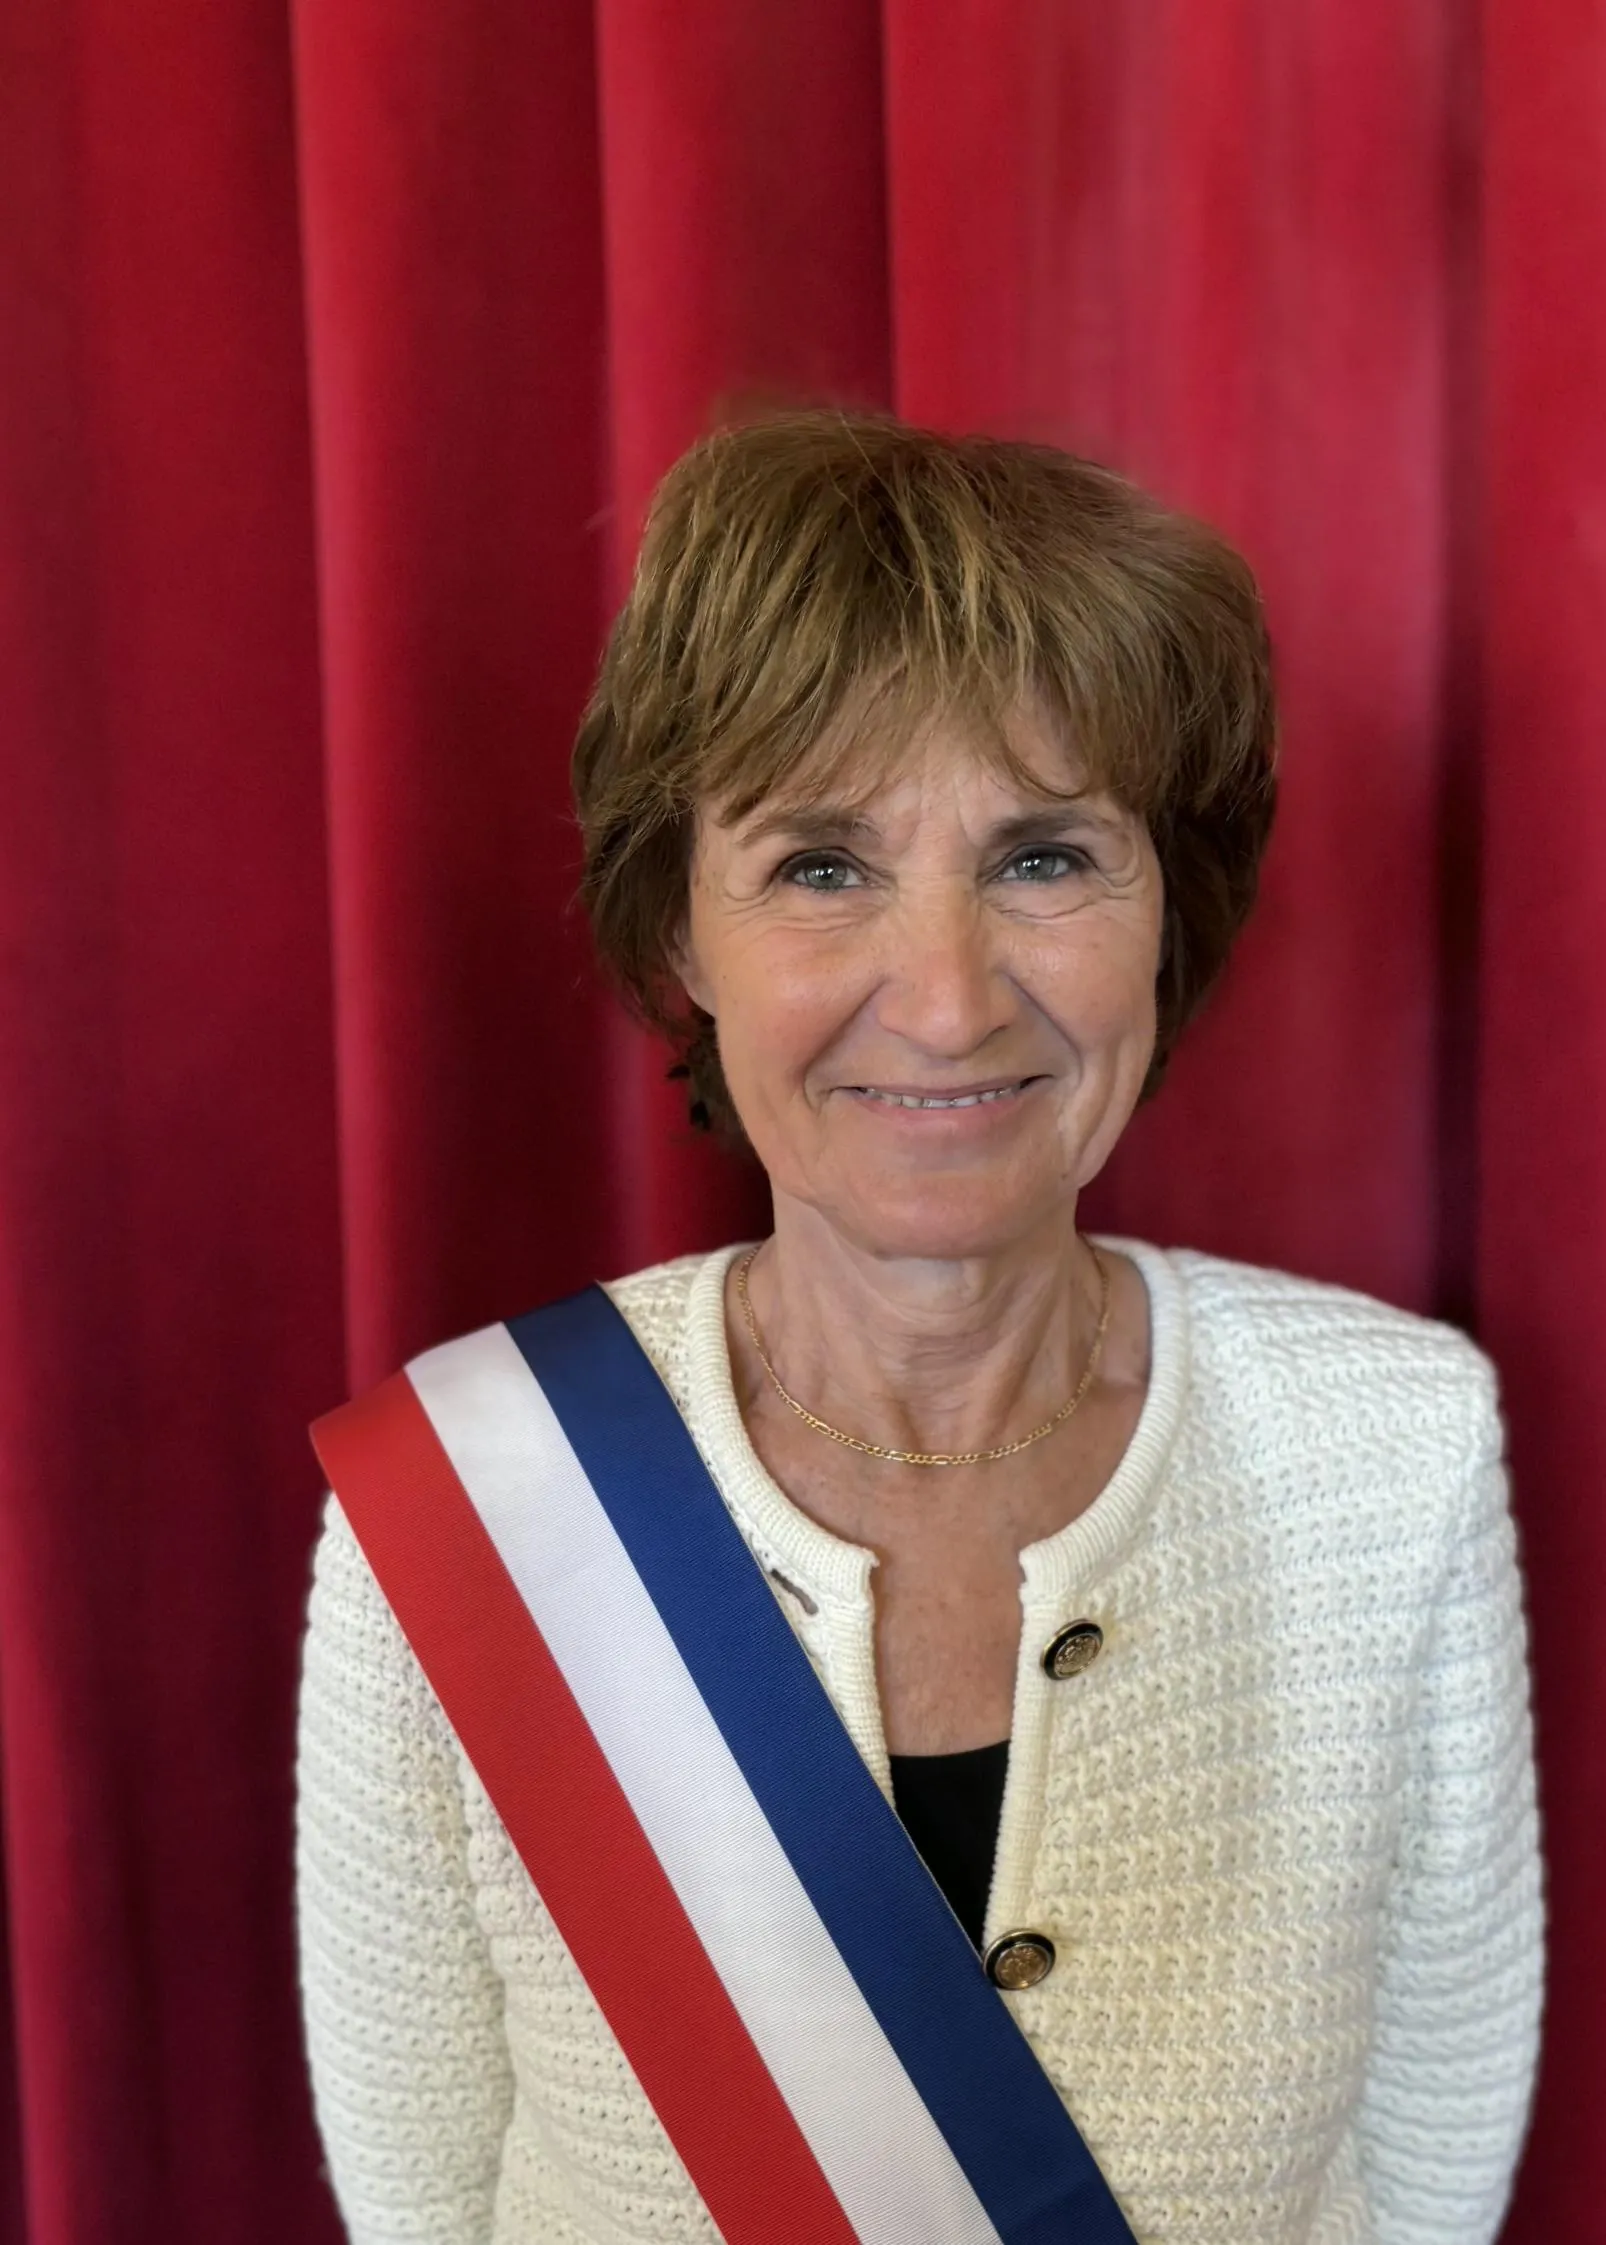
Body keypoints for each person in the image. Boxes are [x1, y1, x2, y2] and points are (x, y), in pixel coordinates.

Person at [296, 411, 1542, 2245]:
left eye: (1043, 858)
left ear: (1165, 919)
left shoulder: (1396, 1455)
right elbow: (420, 2206)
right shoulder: (459, 1505)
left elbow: (1429, 2173)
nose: (949, 1001)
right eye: (823, 864)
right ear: (682, 936)